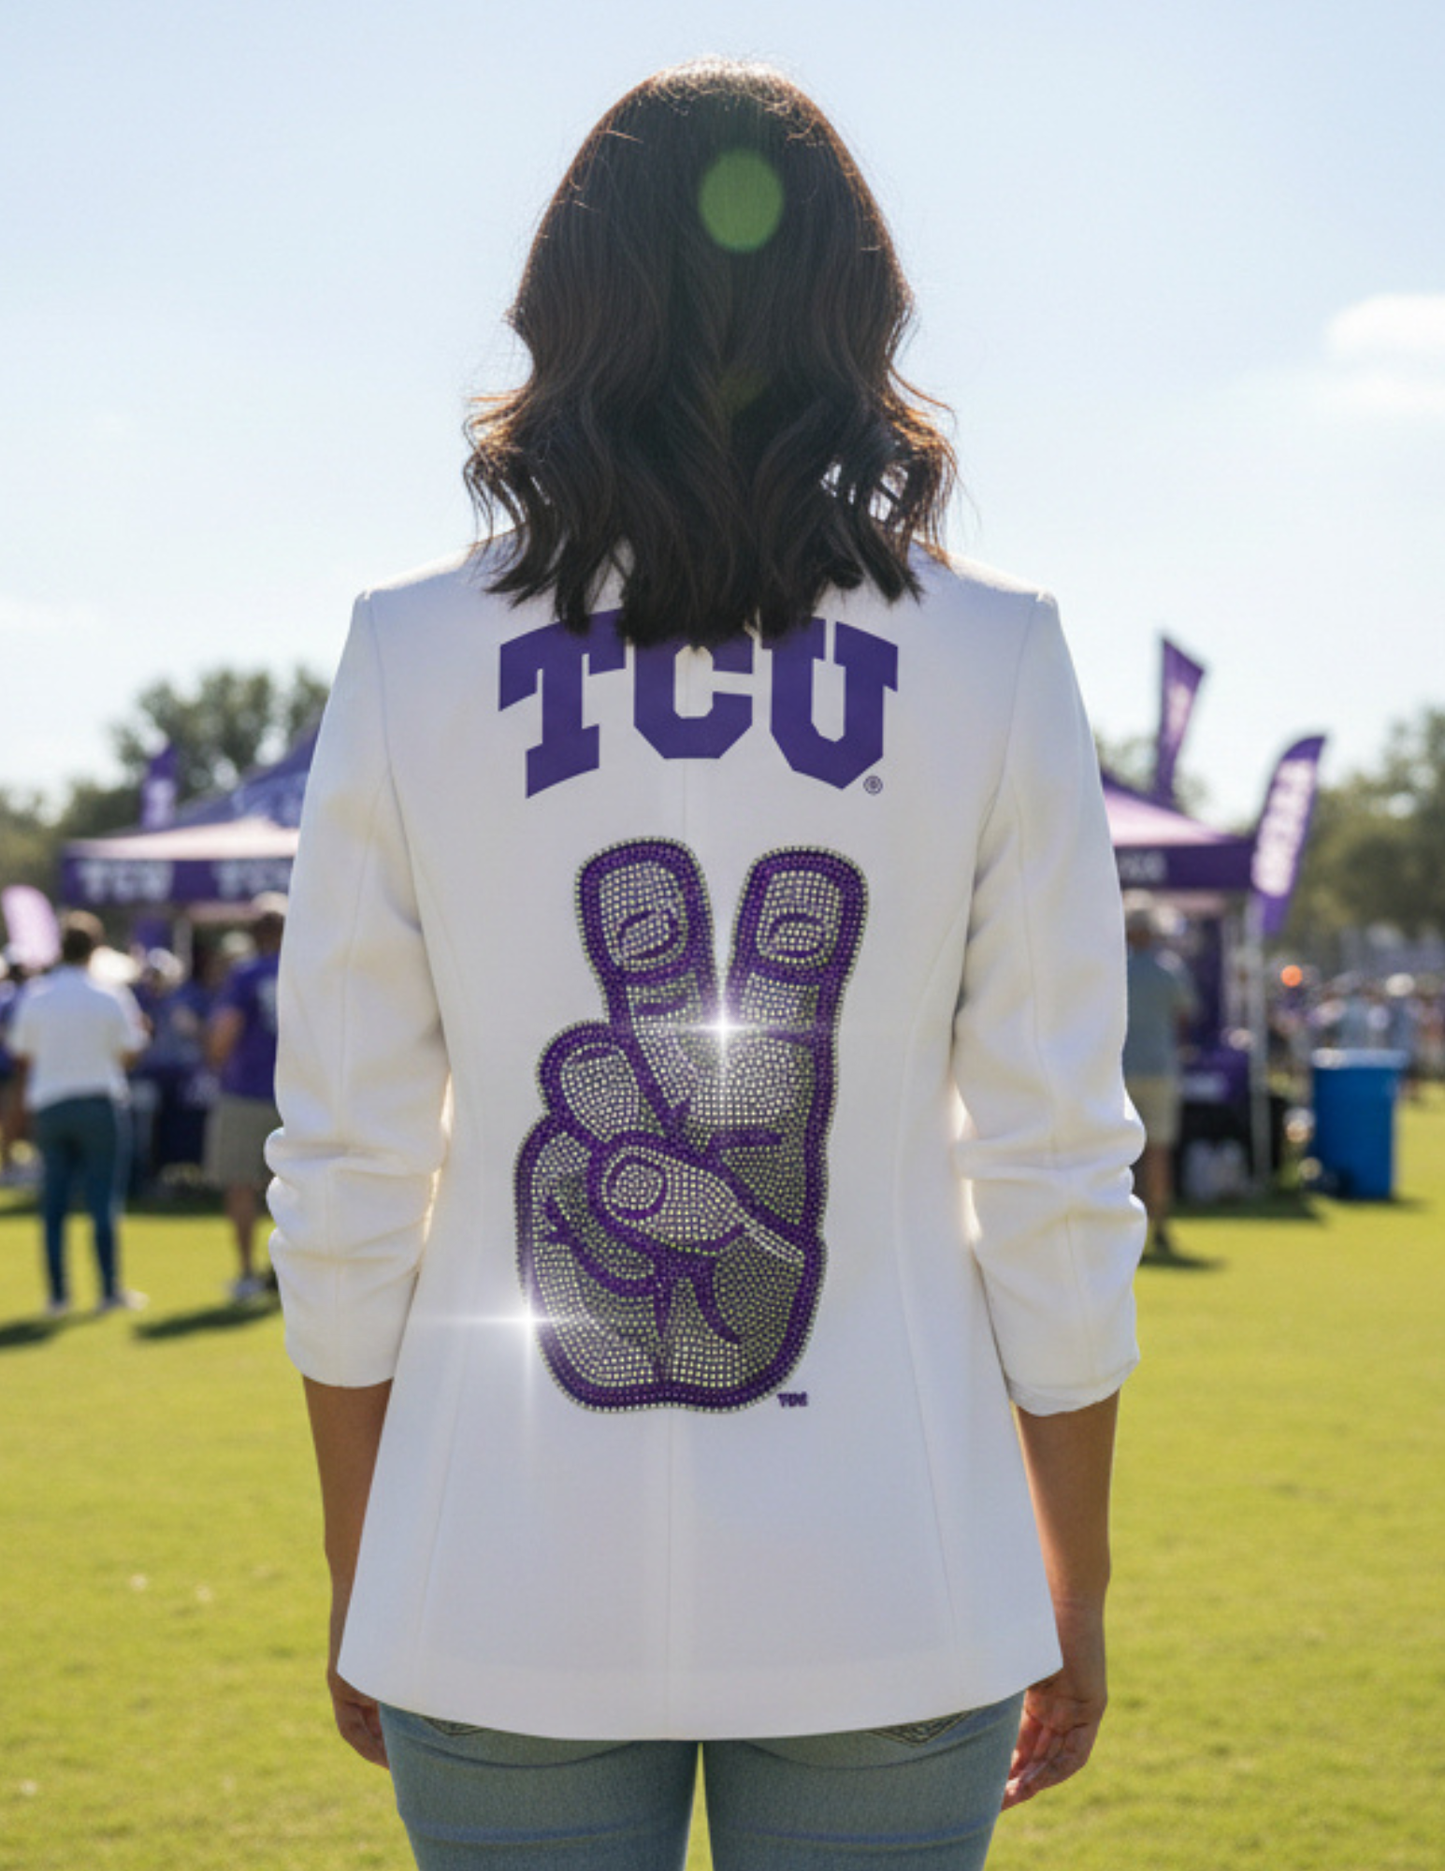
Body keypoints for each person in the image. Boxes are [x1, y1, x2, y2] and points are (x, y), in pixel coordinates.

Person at [267, 59, 1145, 1871]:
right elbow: (1055, 1160)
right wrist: (1078, 1562)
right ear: (859, 314)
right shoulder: (995, 656)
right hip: (895, 1542)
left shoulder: (410, 651)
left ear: (561, 311)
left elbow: (348, 1163)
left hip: (492, 1555)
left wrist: (369, 1551)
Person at [8, 912, 148, 1314]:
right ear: (95, 949)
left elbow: (21, 1053)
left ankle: (58, 1296)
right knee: (103, 1202)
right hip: (99, 1103)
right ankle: (108, 1291)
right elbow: (130, 1050)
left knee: (53, 1206)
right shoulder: (109, 995)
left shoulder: (36, 996)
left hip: (51, 1106)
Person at [205, 895, 285, 1301]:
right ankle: (287, 1274)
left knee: (241, 1185)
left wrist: (215, 1061)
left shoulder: (245, 973)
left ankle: (247, 1272)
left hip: (245, 1092)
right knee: (296, 1192)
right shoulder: (305, 969)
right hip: (296, 1095)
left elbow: (223, 1035)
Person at [1122, 896, 1197, 1256]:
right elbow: (1184, 1016)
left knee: (1119, 1155)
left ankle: (1123, 1229)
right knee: (1158, 1152)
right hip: (1160, 1068)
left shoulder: (1114, 969)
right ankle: (1160, 1225)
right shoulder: (1169, 970)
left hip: (1119, 1071)